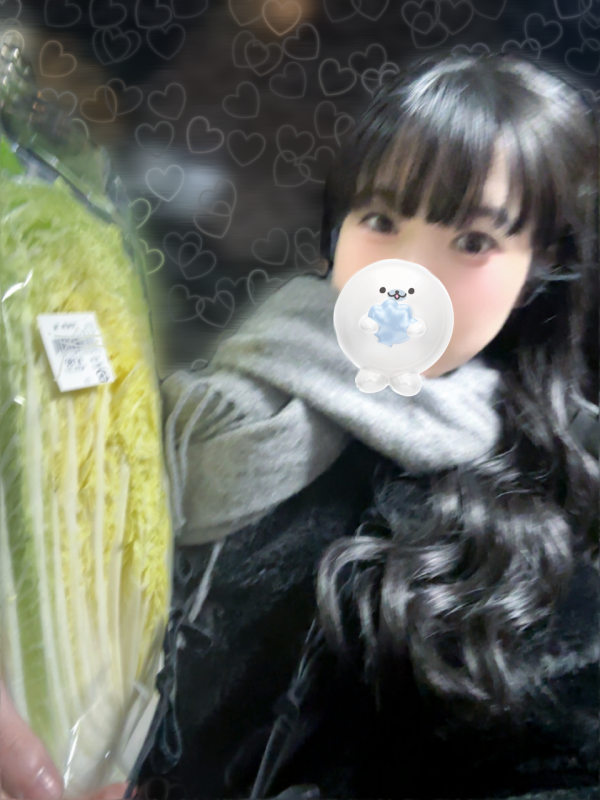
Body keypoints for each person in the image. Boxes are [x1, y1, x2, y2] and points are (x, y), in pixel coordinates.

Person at [2, 51, 598, 800]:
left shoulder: (526, 540)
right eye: (381, 220)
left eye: (474, 240)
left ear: (539, 267)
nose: (406, 274)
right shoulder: (200, 406)